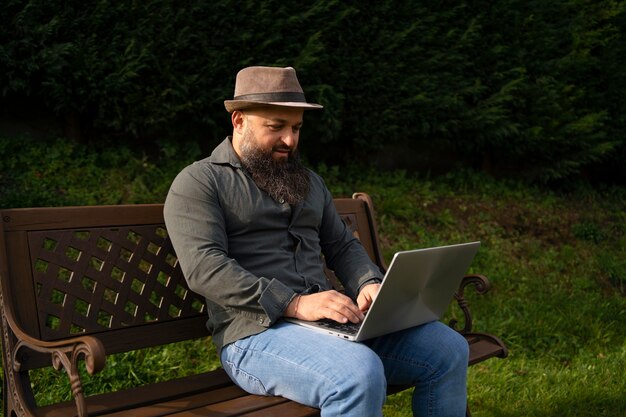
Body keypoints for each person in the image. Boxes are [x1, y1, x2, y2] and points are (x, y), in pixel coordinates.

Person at [163, 66, 469, 417]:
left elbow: (341, 245)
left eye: (296, 128)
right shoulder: (200, 182)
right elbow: (205, 269)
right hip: (254, 336)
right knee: (357, 373)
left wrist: (368, 282)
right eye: (276, 126)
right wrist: (293, 303)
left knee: (447, 349)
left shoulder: (307, 181)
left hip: (329, 327)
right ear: (238, 121)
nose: (290, 141)